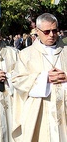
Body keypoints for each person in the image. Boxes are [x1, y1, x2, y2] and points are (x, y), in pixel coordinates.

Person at [11, 13, 67, 141]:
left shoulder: (65, 51)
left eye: (55, 30)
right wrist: (44, 78)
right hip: (40, 112)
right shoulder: (26, 54)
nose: (52, 35)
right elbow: (17, 80)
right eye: (47, 32)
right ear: (37, 31)